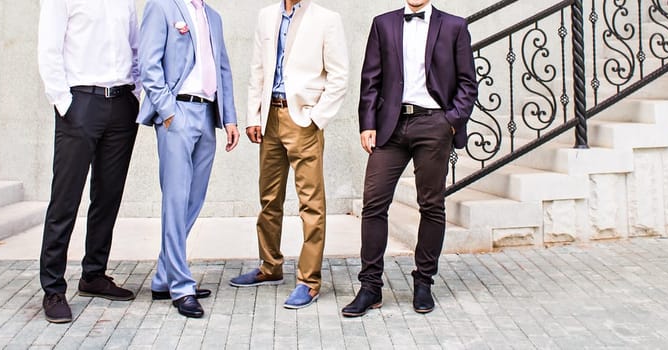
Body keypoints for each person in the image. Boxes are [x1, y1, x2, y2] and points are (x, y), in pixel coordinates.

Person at [342, 0, 478, 317]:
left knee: (431, 203)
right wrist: (368, 123)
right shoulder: (383, 24)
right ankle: (370, 287)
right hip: (391, 126)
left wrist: (451, 121)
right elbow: (370, 79)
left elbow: (468, 83)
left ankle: (423, 282)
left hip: (434, 124)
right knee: (374, 202)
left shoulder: (455, 26)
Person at [228, 0, 348, 310]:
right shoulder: (266, 16)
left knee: (311, 203)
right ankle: (270, 267)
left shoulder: (327, 19)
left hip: (303, 121)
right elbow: (258, 70)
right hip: (269, 118)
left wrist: (316, 118)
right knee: (269, 198)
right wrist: (253, 117)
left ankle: (308, 281)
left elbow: (339, 76)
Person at [37, 0, 143, 324]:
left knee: (108, 196)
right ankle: (53, 288)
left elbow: (135, 49)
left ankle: (94, 274)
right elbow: (49, 50)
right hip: (80, 103)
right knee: (65, 200)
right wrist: (64, 103)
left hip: (122, 104)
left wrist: (136, 94)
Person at [138, 0, 240, 319]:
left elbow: (222, 68)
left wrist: (230, 119)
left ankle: (162, 278)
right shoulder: (162, 7)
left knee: (194, 199)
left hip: (207, 114)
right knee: (176, 200)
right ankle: (181, 286)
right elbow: (148, 64)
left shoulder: (213, 16)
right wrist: (168, 113)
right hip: (177, 114)